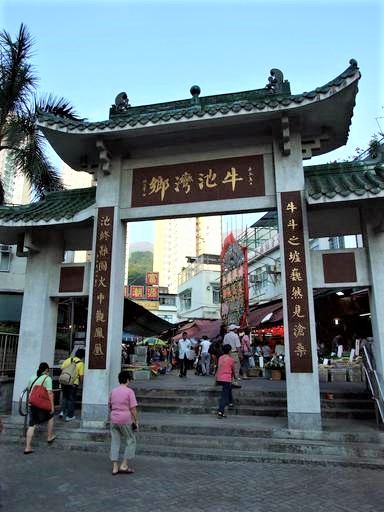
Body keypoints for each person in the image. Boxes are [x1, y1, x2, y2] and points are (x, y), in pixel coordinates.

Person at [109, 371, 138, 475]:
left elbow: (110, 405)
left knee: (115, 441)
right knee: (131, 440)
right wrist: (136, 421)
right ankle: (124, 465)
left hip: (113, 418)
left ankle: (115, 467)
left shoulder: (113, 391)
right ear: (127, 380)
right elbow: (133, 408)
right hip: (125, 419)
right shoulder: (129, 392)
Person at [24, 362, 56, 454]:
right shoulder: (47, 378)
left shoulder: (32, 377)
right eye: (48, 370)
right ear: (46, 370)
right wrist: (52, 407)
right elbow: (50, 393)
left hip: (32, 403)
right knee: (51, 416)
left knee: (32, 424)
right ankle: (49, 436)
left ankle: (27, 447)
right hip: (42, 404)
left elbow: (30, 390)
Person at [59, 348, 85, 421]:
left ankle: (61, 412)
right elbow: (81, 375)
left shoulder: (68, 360)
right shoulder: (81, 363)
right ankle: (69, 416)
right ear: (82, 356)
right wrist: (81, 384)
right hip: (73, 383)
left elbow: (62, 369)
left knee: (64, 397)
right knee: (71, 399)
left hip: (64, 381)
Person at [216, 344, 235, 418]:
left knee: (228, 389)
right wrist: (234, 377)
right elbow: (233, 369)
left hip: (220, 377)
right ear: (230, 351)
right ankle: (221, 411)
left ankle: (230, 402)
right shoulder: (231, 359)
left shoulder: (220, 358)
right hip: (227, 378)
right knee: (224, 396)